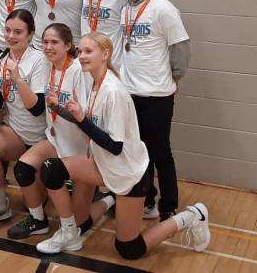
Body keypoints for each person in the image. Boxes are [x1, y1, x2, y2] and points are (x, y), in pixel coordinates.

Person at [35, 32, 209, 258]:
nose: (82, 57)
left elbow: (115, 146)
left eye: (89, 52)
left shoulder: (114, 91)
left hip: (128, 173)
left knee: (129, 249)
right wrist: (61, 110)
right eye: (80, 52)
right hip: (103, 165)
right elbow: (88, 120)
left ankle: (192, 216)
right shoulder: (93, 83)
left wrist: (81, 120)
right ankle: (73, 229)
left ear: (105, 54)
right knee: (52, 169)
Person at [120, 0, 190, 221]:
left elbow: (181, 49)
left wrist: (172, 79)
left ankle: (168, 205)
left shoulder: (162, 7)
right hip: (130, 92)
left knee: (160, 151)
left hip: (156, 95)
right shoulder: (128, 7)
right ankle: (146, 199)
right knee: (137, 151)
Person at [6, 23, 90, 240]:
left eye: (54, 42)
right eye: (45, 42)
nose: (49, 47)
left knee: (83, 221)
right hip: (55, 140)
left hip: (80, 147)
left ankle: (108, 198)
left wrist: (58, 108)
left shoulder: (79, 71)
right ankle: (38, 220)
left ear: (68, 45)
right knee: (23, 168)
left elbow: (85, 118)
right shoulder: (47, 66)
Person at [0, 9, 47, 223]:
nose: (11, 36)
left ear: (30, 35)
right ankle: (0, 204)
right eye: (8, 30)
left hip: (39, 138)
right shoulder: (1, 59)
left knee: (35, 199)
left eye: (18, 32)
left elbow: (37, 108)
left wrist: (17, 78)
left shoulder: (39, 59)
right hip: (14, 131)